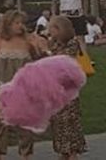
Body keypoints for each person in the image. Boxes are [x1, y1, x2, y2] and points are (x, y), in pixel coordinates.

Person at [0, 10, 45, 160]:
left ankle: (26, 153)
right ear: (8, 24)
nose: (20, 26)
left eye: (22, 23)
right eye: (16, 23)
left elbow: (36, 59)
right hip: (2, 86)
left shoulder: (27, 41)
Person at [47, 15, 87, 159]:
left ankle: (72, 152)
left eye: (51, 28)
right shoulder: (55, 44)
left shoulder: (72, 44)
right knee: (58, 123)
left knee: (69, 123)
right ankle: (63, 152)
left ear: (59, 29)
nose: (49, 31)